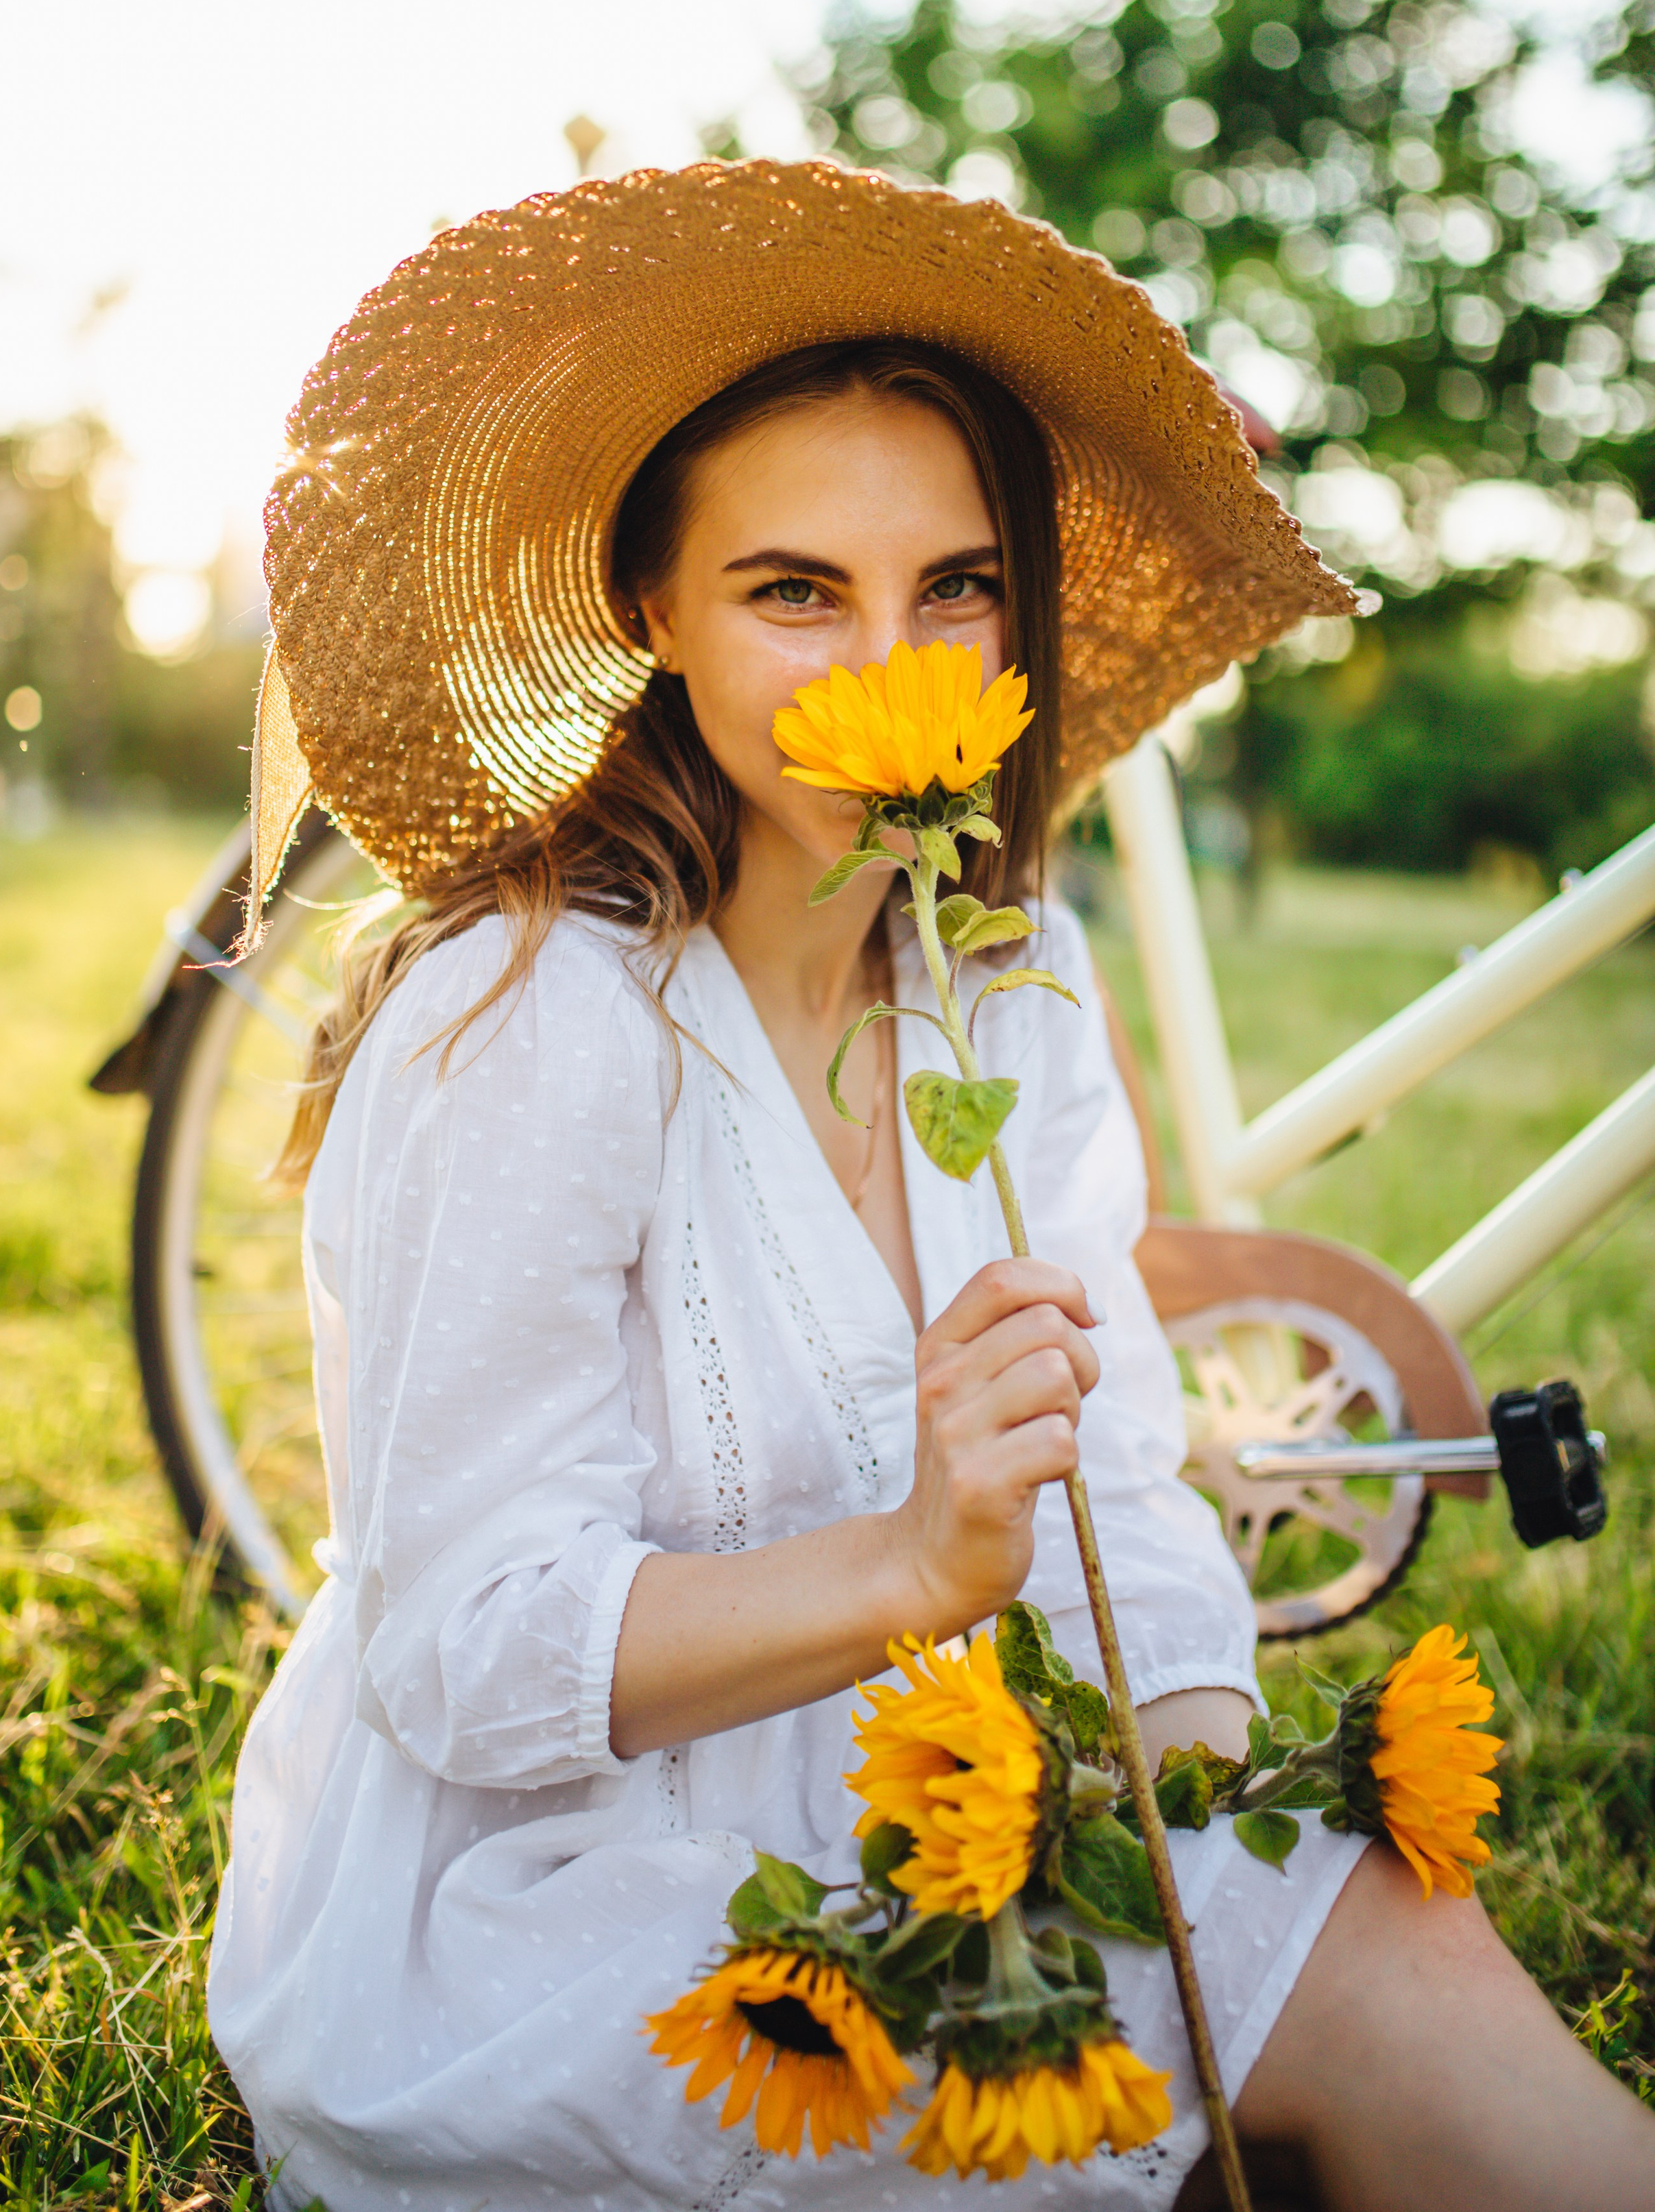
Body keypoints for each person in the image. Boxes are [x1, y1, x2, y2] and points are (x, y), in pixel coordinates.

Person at [208, 160, 1654, 2211]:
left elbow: (1125, 1480)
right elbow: (467, 1649)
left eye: (955, 588)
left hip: (953, 1803)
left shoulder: (1010, 983)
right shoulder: (539, 1018)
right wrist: (906, 1569)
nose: (886, 663)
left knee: (1364, 1924)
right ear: (653, 612)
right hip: (564, 1897)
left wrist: (1196, 1792)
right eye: (793, 590)